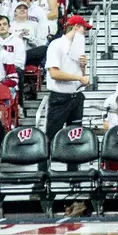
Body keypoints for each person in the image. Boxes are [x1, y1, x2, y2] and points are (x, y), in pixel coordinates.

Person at [45, 15, 93, 143]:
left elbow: (80, 77)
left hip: (76, 95)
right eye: (84, 28)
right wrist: (78, 77)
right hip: (60, 96)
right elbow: (54, 73)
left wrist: (83, 68)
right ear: (76, 27)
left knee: (75, 139)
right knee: (51, 137)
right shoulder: (57, 44)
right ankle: (45, 162)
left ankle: (73, 163)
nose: (86, 32)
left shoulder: (77, 46)